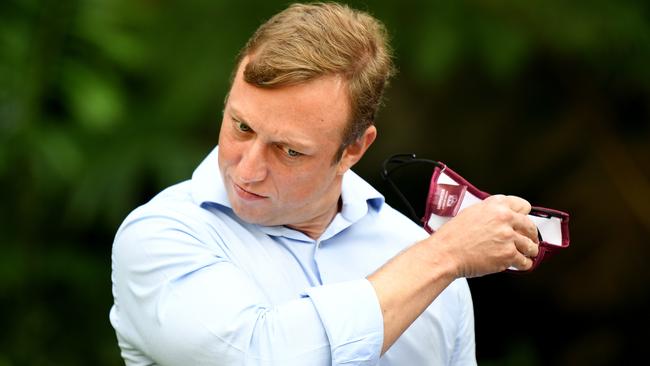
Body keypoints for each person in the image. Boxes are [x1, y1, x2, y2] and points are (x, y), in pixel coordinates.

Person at [109, 3, 540, 365]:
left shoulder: (424, 263)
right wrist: (444, 255)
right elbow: (261, 355)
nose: (247, 170)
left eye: (289, 151)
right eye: (241, 127)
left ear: (354, 149)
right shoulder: (161, 234)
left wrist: (439, 261)